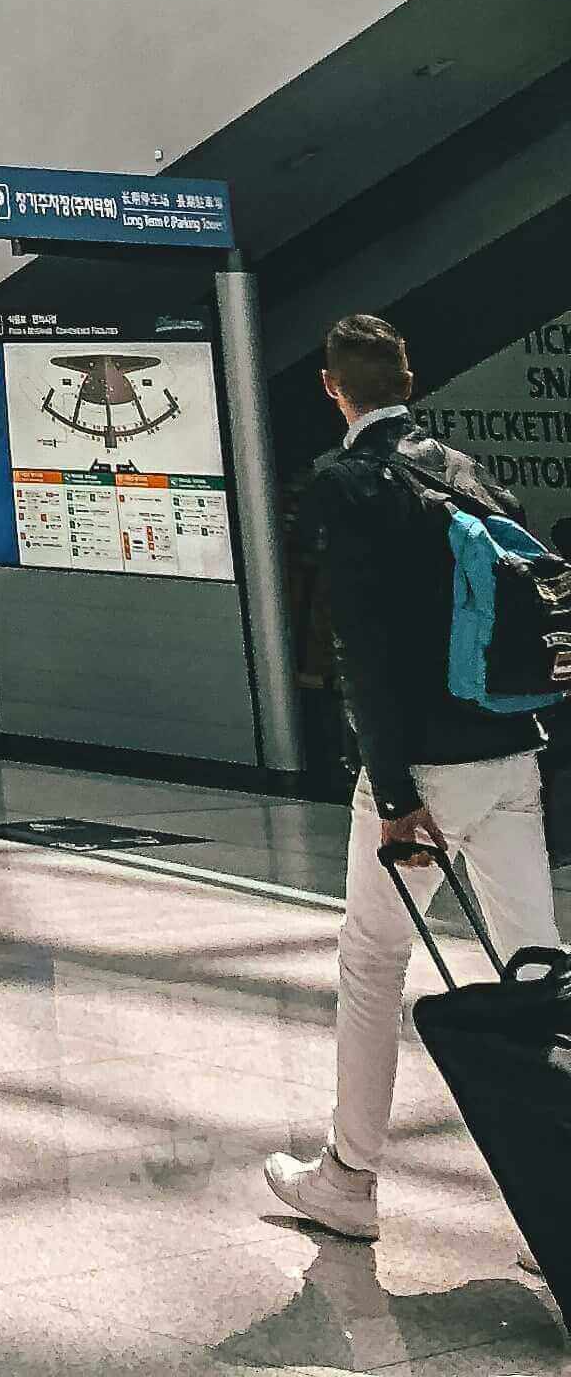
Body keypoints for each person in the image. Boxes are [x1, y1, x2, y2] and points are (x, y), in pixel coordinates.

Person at [265, 311, 559, 1242]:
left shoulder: (349, 484)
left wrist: (392, 795)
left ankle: (349, 1178)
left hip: (421, 769)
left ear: (331, 387)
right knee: (539, 968)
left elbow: (366, 650)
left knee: (373, 963)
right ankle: (557, 1188)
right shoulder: (468, 471)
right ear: (411, 377)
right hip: (510, 750)